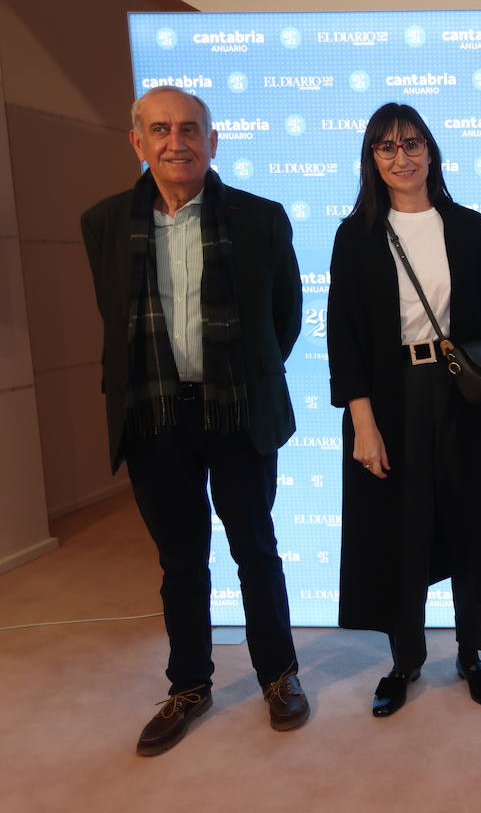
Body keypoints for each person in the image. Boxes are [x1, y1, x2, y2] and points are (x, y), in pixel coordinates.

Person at [80, 86, 309, 755]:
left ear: (212, 141)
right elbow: (116, 320)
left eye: (189, 129)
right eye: (160, 129)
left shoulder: (262, 218)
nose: (175, 141)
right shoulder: (102, 223)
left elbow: (283, 320)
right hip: (154, 415)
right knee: (180, 561)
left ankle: (279, 676)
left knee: (255, 550)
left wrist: (241, 377)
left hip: (236, 410)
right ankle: (189, 685)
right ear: (138, 142)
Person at [327, 103, 481, 717]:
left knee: (471, 524)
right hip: (392, 398)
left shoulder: (470, 227)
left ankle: (473, 653)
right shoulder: (356, 234)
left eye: (412, 144)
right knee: (400, 528)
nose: (402, 158)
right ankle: (405, 660)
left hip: (466, 394)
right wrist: (362, 424)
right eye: (387, 148)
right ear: (371, 159)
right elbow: (344, 337)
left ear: (431, 150)